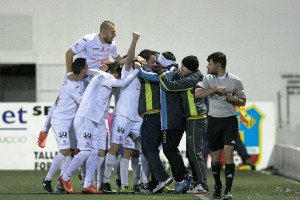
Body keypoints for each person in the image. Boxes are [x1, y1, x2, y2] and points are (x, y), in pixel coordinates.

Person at [59, 32, 141, 194]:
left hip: (94, 120)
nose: (103, 62)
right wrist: (136, 70)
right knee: (86, 151)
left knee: (95, 152)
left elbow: (117, 64)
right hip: (85, 119)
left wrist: (125, 61)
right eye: (103, 61)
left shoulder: (100, 75)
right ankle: (66, 176)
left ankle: (87, 185)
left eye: (106, 62)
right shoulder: (104, 76)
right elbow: (122, 81)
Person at [37, 20, 121, 148]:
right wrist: (69, 72)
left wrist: (133, 58)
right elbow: (69, 53)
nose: (115, 35)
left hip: (96, 77)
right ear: (103, 33)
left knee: (89, 108)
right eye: (113, 32)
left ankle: (84, 144)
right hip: (81, 74)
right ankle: (44, 131)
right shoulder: (87, 39)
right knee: (59, 102)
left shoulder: (112, 44)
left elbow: (118, 59)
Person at [195, 52, 246, 200]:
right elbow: (197, 94)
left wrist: (233, 98)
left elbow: (243, 101)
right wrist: (216, 89)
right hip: (213, 121)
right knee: (215, 160)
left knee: (229, 153)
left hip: (229, 121)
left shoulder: (235, 81)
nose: (207, 66)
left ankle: (228, 191)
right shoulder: (208, 79)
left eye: (209, 63)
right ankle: (218, 185)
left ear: (217, 65)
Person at [139, 52, 191, 194]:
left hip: (171, 119)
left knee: (162, 149)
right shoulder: (172, 71)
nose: (156, 66)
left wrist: (138, 66)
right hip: (169, 118)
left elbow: (148, 75)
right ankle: (171, 179)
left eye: (159, 63)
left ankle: (176, 178)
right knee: (164, 149)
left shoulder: (169, 73)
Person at [158, 55, 208, 193]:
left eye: (183, 66)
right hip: (192, 119)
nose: (181, 68)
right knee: (192, 154)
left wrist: (161, 74)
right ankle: (196, 182)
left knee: (194, 154)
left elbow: (170, 86)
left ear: (190, 69)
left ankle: (202, 184)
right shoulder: (194, 76)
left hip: (196, 118)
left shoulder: (191, 80)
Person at [101, 33, 144, 194]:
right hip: (122, 116)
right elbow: (127, 58)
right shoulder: (127, 71)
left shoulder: (141, 74)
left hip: (137, 118)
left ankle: (140, 183)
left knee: (142, 149)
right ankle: (105, 181)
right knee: (115, 147)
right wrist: (134, 41)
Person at [41, 58, 88, 193]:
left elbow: (69, 73)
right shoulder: (73, 86)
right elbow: (84, 103)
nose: (88, 68)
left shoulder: (70, 76)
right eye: (87, 66)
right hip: (60, 120)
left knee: (71, 151)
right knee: (65, 150)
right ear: (83, 69)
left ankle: (61, 182)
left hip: (69, 122)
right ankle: (47, 179)